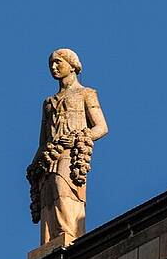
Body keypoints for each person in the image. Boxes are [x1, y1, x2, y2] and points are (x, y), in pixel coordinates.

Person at [27, 48, 108, 247]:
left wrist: (79, 138)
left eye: (58, 62)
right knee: (48, 195)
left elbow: (101, 127)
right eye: (51, 64)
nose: (53, 67)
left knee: (62, 188)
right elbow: (43, 141)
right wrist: (33, 166)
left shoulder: (86, 93)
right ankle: (50, 243)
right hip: (49, 156)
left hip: (71, 152)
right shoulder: (48, 102)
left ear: (72, 66)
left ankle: (69, 236)